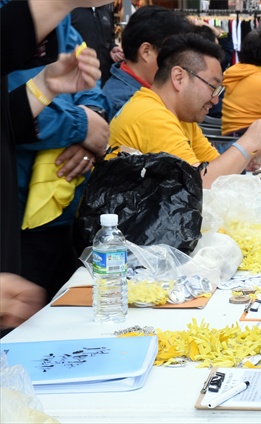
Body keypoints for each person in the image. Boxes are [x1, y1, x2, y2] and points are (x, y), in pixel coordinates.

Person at [1, 0, 108, 330]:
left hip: (60, 212)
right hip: (19, 221)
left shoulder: (65, 27)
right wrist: (82, 126)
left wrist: (48, 88)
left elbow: (94, 98)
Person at [107, 33, 261, 187]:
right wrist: (249, 142)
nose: (215, 100)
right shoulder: (150, 115)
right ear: (179, 77)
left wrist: (245, 156)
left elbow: (213, 167)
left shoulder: (181, 117)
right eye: (213, 87)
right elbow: (199, 185)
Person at [102, 5, 193, 119]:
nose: (179, 65)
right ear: (146, 51)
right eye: (172, 55)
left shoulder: (148, 89)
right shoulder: (125, 103)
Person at [71, 4, 124, 86]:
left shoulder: (105, 10)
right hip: (79, 81)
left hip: (105, 78)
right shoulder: (70, 9)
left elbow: (110, 38)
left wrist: (112, 48)